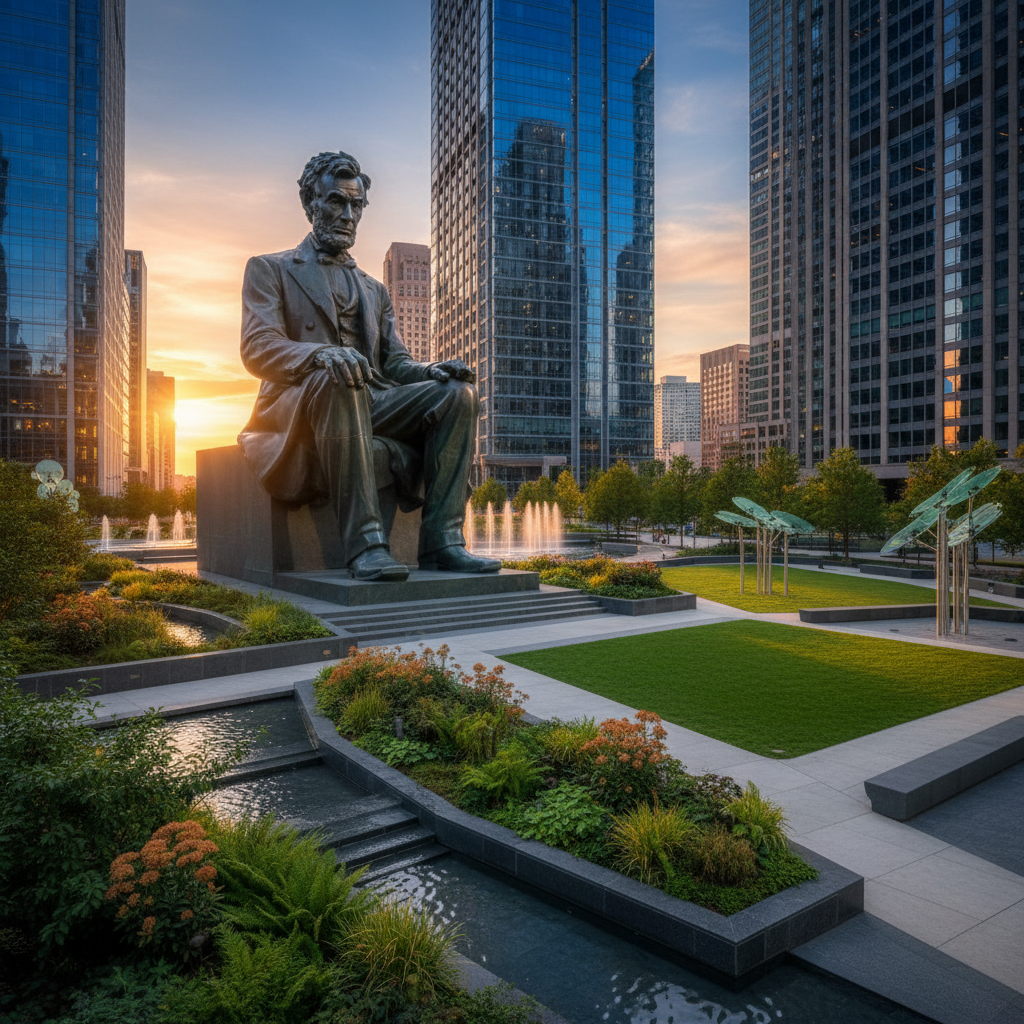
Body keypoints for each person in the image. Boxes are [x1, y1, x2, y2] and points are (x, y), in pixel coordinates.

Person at [237, 150, 499, 582]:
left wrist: (433, 371)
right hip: (302, 404)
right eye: (336, 202)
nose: (347, 214)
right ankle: (366, 546)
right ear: (310, 204)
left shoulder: (373, 289)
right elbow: (258, 346)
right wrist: (319, 354)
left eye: (355, 205)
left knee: (459, 395)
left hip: (370, 398)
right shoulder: (270, 269)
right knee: (341, 377)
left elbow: (394, 361)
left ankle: (443, 541)